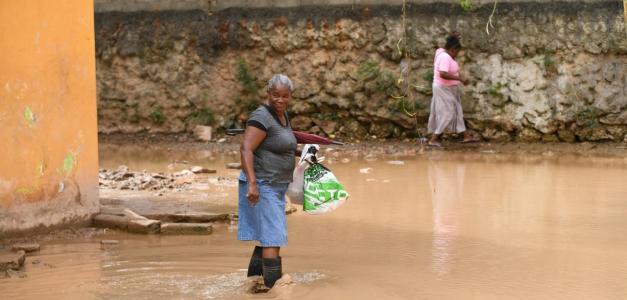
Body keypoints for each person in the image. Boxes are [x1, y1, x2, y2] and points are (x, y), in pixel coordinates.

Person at [238, 74, 297, 289]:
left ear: (290, 96)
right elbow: (246, 149)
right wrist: (252, 184)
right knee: (273, 236)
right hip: (262, 184)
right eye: (275, 95)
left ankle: (254, 285)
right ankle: (272, 288)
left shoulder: (282, 116)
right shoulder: (261, 116)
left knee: (267, 234)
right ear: (268, 93)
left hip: (276, 185)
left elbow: (279, 143)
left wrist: (303, 151)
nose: (280, 100)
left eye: (285, 96)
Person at [427, 34, 477, 147]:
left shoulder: (441, 51)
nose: (457, 54)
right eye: (457, 51)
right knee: (447, 113)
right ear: (452, 49)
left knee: (457, 111)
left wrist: (454, 37)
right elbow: (443, 74)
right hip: (443, 88)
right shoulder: (445, 57)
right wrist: (459, 78)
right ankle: (434, 139)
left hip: (449, 88)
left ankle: (466, 136)